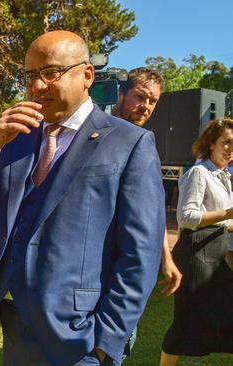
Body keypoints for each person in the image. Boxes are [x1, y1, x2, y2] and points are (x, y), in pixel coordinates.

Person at [0, 30, 165, 365]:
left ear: (87, 75)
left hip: (81, 335)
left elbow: (140, 255)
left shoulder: (130, 143)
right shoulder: (16, 138)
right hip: (14, 318)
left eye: (50, 73)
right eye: (30, 76)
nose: (36, 86)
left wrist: (105, 341)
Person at [111, 67, 176, 360]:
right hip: (95, 261)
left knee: (119, 344)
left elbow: (151, 211)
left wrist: (167, 257)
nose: (146, 106)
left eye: (152, 101)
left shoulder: (143, 142)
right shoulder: (98, 134)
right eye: (140, 97)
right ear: (121, 94)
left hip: (129, 265)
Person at [159, 118, 233, 366]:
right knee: (185, 323)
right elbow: (186, 217)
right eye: (226, 143)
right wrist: (230, 213)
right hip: (196, 256)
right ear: (210, 143)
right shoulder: (198, 173)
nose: (231, 149)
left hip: (217, 254)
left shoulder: (223, 176)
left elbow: (220, 220)